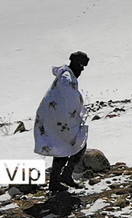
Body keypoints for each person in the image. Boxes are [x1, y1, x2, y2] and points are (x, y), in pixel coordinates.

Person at [33, 51, 90, 194]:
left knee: (63, 147)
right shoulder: (66, 78)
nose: (82, 69)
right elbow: (68, 96)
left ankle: (58, 180)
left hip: (57, 118)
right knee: (72, 145)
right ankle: (62, 177)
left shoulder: (66, 75)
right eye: (82, 65)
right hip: (59, 119)